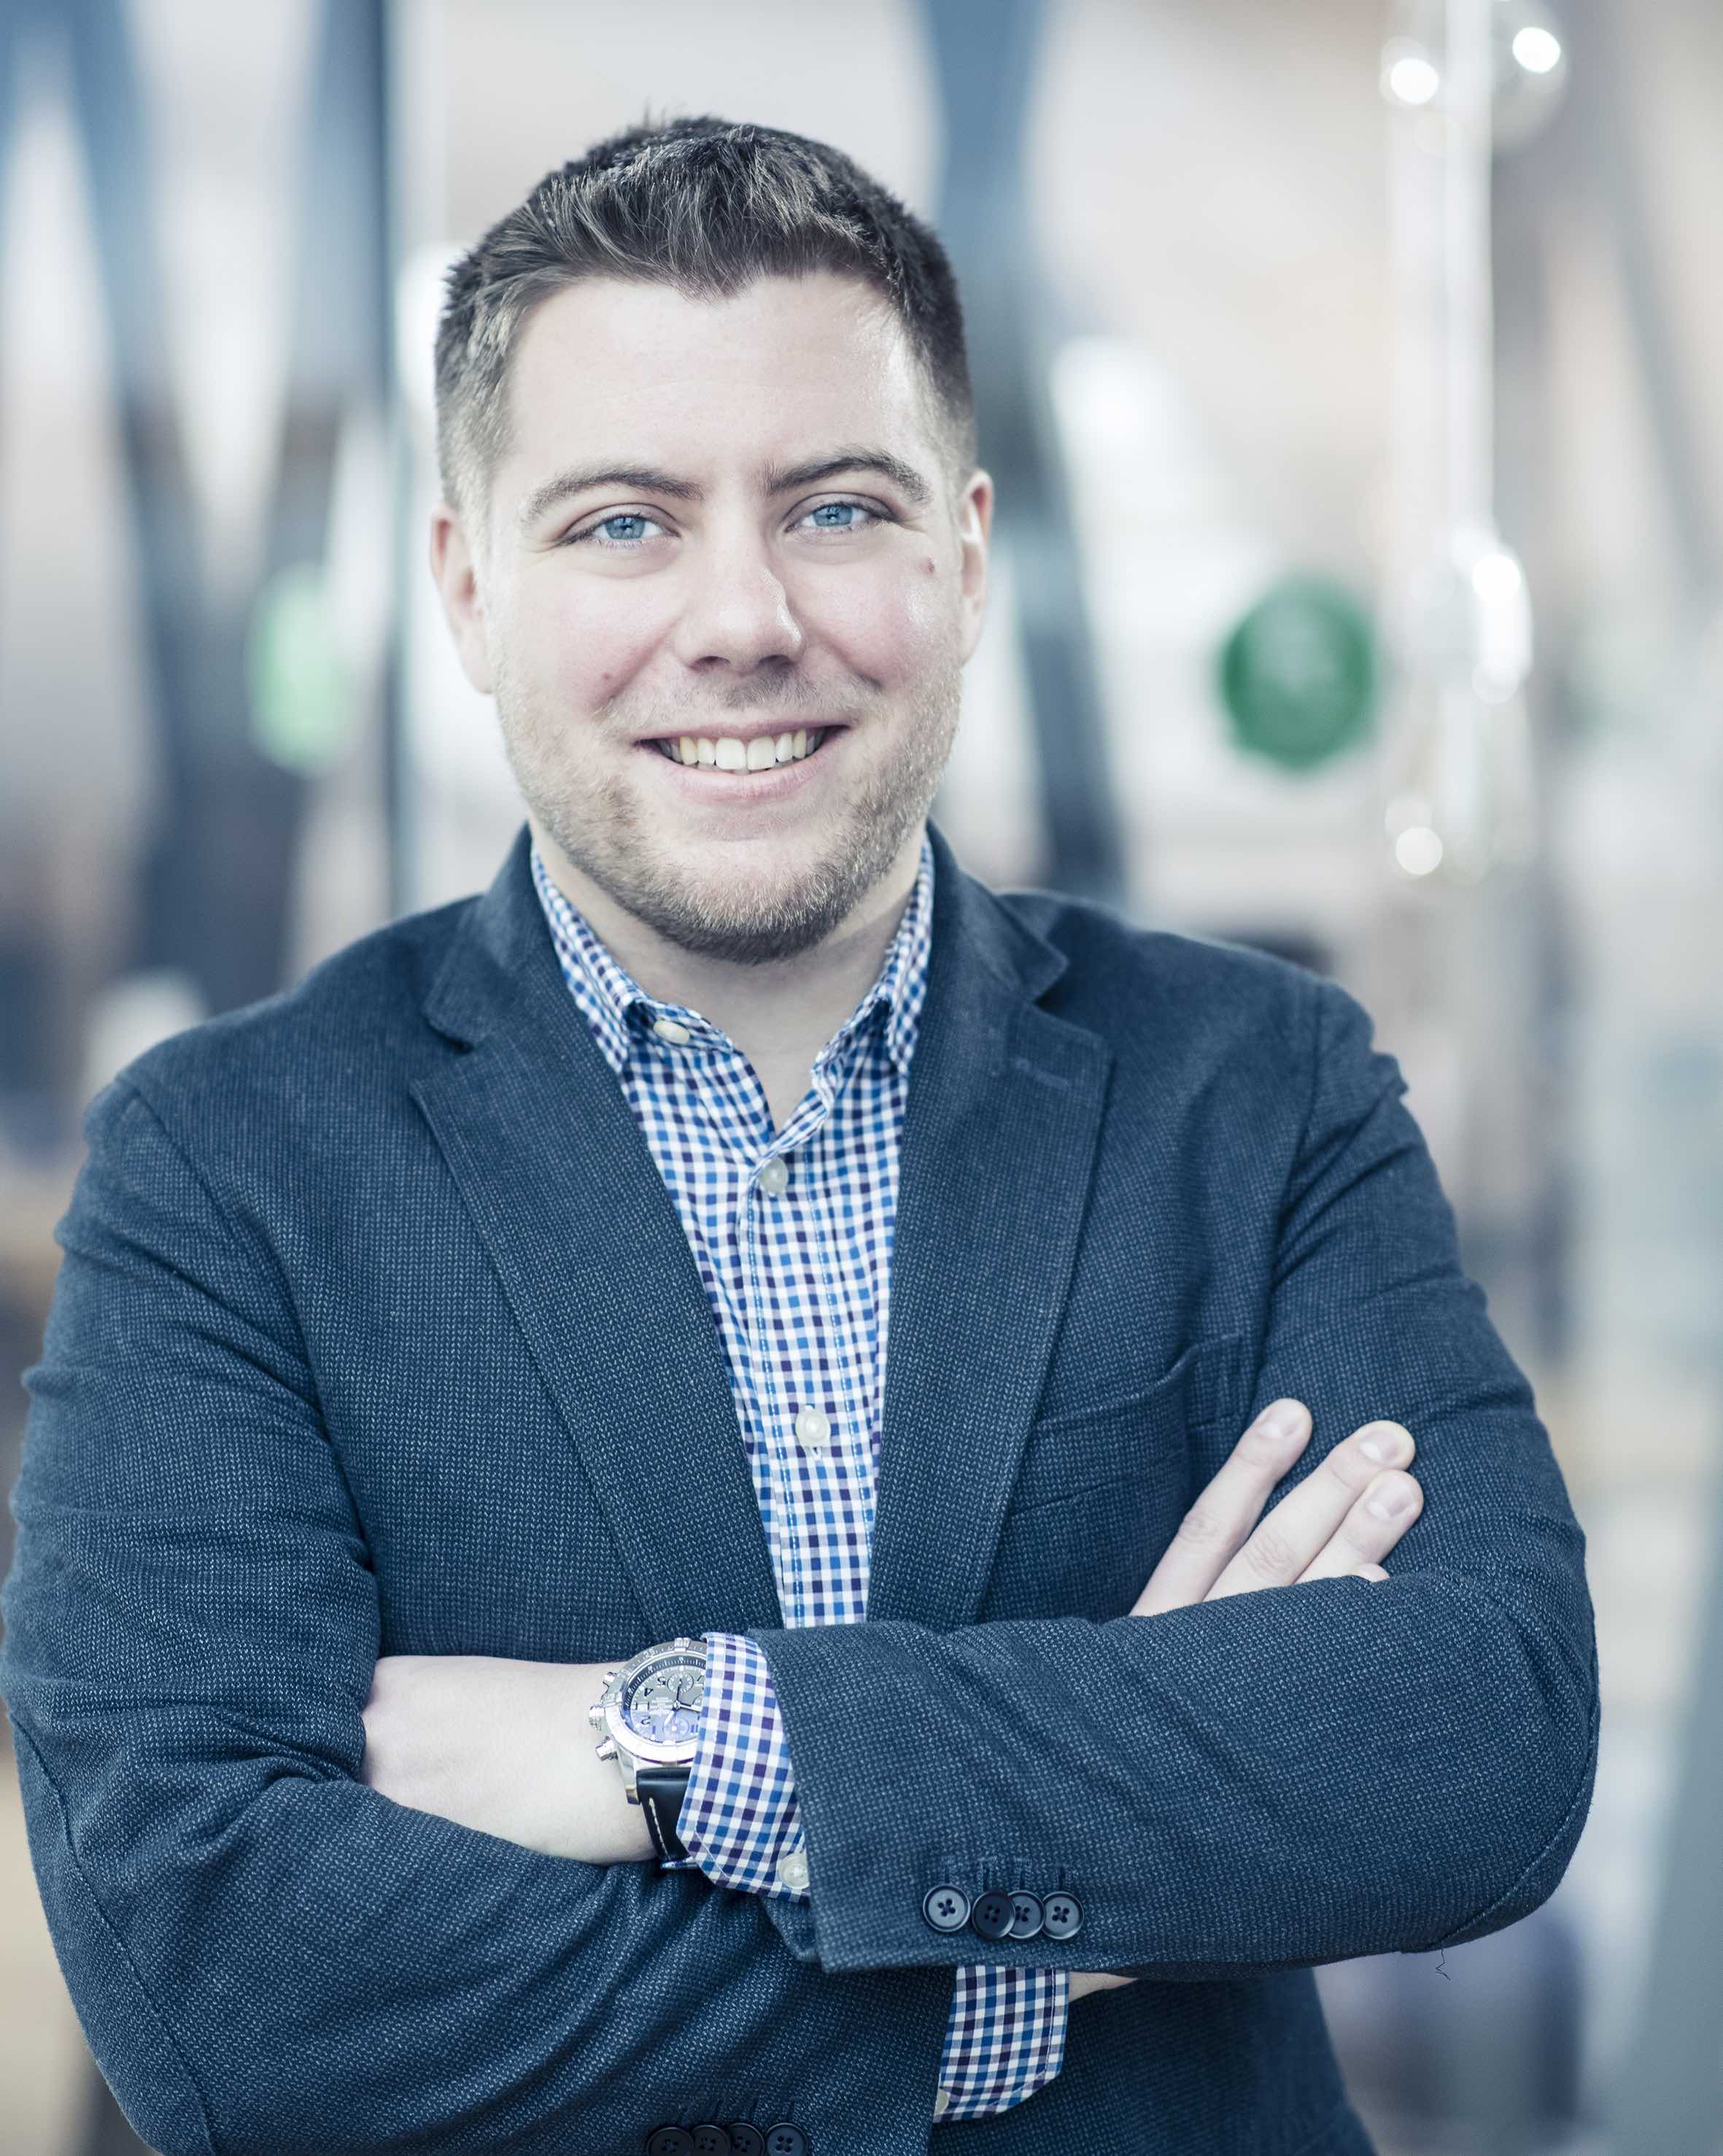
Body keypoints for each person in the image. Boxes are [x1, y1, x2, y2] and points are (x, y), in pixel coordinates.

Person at [1, 116, 1596, 2156]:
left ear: (966, 555)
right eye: (623, 523)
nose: (743, 617)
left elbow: (1483, 1735)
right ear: (467, 586)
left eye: (837, 507)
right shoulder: (230, 1163)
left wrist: (664, 1742)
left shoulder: (1255, 1082)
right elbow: (214, 1979)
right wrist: (1045, 1906)